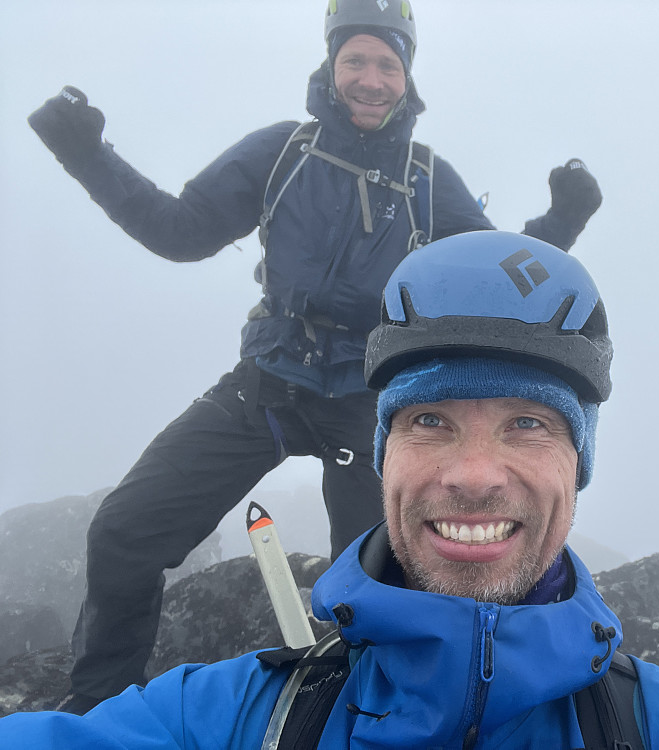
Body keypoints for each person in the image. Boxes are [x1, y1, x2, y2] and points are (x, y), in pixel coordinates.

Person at [0, 230, 659, 749]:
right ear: (384, 452)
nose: (474, 473)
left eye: (530, 423)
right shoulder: (218, 720)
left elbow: (495, 259)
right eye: (429, 421)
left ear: (580, 462)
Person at [26, 0, 603, 714]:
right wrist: (87, 154)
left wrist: (562, 222)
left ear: (406, 76)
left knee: (388, 585)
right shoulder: (284, 153)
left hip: (364, 399)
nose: (370, 78)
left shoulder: (426, 180)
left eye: (387, 63)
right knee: (123, 533)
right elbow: (179, 231)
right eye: (355, 59)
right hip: (266, 384)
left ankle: (382, 720)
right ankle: (97, 717)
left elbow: (492, 275)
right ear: (331, 65)